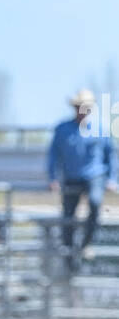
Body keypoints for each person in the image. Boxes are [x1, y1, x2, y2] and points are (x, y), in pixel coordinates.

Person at [48, 89, 117, 267]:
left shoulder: (100, 128)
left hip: (95, 175)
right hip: (72, 176)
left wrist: (112, 178)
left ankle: (86, 243)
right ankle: (69, 255)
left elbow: (110, 155)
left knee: (95, 202)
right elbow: (53, 155)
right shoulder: (63, 129)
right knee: (68, 216)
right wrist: (53, 177)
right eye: (79, 107)